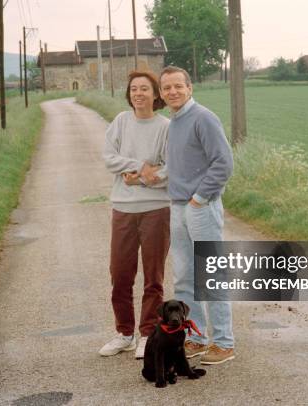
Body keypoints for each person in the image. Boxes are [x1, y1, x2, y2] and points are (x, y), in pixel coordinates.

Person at [159, 65, 235, 365]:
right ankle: (197, 337)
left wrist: (199, 199)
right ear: (162, 94)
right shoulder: (174, 122)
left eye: (178, 86)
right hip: (177, 207)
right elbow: (181, 166)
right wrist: (154, 176)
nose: (173, 91)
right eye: (167, 88)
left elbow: (223, 163)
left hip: (200, 207)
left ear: (190, 88)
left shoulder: (203, 117)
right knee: (183, 278)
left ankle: (225, 344)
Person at [99, 71, 170, 359]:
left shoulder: (166, 127)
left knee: (153, 277)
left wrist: (139, 179)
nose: (138, 94)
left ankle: (147, 334)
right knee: (120, 274)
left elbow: (169, 170)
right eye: (133, 89)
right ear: (128, 94)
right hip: (123, 209)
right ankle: (124, 333)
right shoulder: (120, 121)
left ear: (156, 95)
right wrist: (142, 167)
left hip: (156, 209)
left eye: (144, 89)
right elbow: (109, 157)